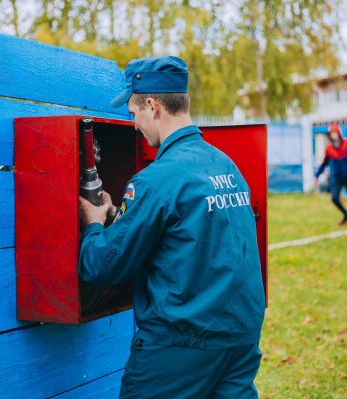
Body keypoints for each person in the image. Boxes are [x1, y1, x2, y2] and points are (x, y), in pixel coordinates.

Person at [78, 56, 265, 399]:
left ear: (152, 106)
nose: (134, 125)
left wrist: (93, 222)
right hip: (240, 333)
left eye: (133, 113)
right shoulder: (225, 164)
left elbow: (102, 264)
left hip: (183, 343)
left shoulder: (155, 180)